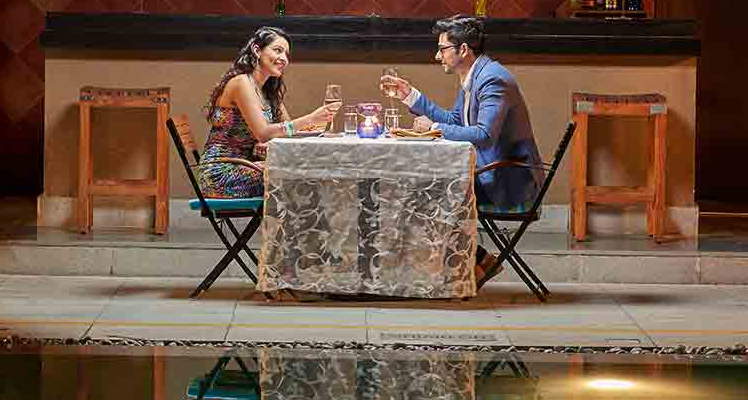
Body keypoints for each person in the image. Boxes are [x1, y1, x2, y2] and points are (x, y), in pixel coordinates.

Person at [380, 15, 546, 282]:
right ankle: (476, 261)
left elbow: (484, 135)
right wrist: (409, 96)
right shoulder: (475, 76)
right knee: (418, 188)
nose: (437, 56)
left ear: (464, 49)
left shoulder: (492, 79)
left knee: (423, 191)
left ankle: (465, 264)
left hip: (509, 181)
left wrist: (434, 127)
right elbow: (456, 121)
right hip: (490, 171)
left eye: (442, 49)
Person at [200, 26, 340, 198]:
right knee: (300, 179)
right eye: (278, 50)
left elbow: (287, 131)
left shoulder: (268, 91)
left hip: (249, 165)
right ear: (257, 50)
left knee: (311, 173)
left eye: (287, 54)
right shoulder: (241, 83)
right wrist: (310, 118)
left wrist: (318, 123)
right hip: (222, 173)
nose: (284, 59)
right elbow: (264, 133)